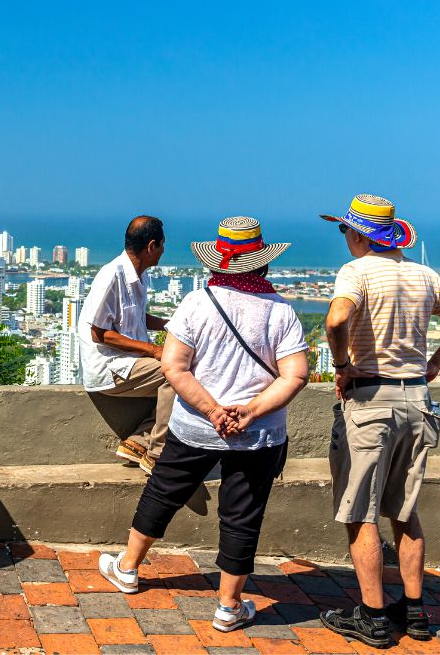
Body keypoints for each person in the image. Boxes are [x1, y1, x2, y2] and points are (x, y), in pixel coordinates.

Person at [98, 217, 309, 634]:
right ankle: (229, 606)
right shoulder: (281, 311)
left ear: (218, 263)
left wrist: (213, 410)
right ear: (262, 263)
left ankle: (127, 567)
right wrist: (248, 412)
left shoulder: (197, 303)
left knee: (163, 491)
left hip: (195, 426)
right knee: (242, 515)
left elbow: (174, 367)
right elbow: (295, 375)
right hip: (259, 434)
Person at [318, 195, 440, 648]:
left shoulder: (357, 272)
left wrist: (341, 363)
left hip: (371, 400)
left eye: (344, 231)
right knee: (405, 511)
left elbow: (336, 319)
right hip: (418, 400)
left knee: (360, 513)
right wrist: (433, 365)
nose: (344, 238)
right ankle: (414, 612)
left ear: (358, 234)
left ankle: (371, 616)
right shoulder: (423, 275)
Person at [78, 216, 173, 474]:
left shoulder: (138, 277)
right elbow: (99, 333)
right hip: (110, 367)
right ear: (152, 246)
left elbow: (135, 317)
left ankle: (138, 442)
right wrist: (154, 350)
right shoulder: (112, 275)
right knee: (176, 374)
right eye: (163, 244)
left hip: (128, 363)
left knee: (183, 369)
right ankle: (157, 453)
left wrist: (170, 324)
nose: (164, 250)